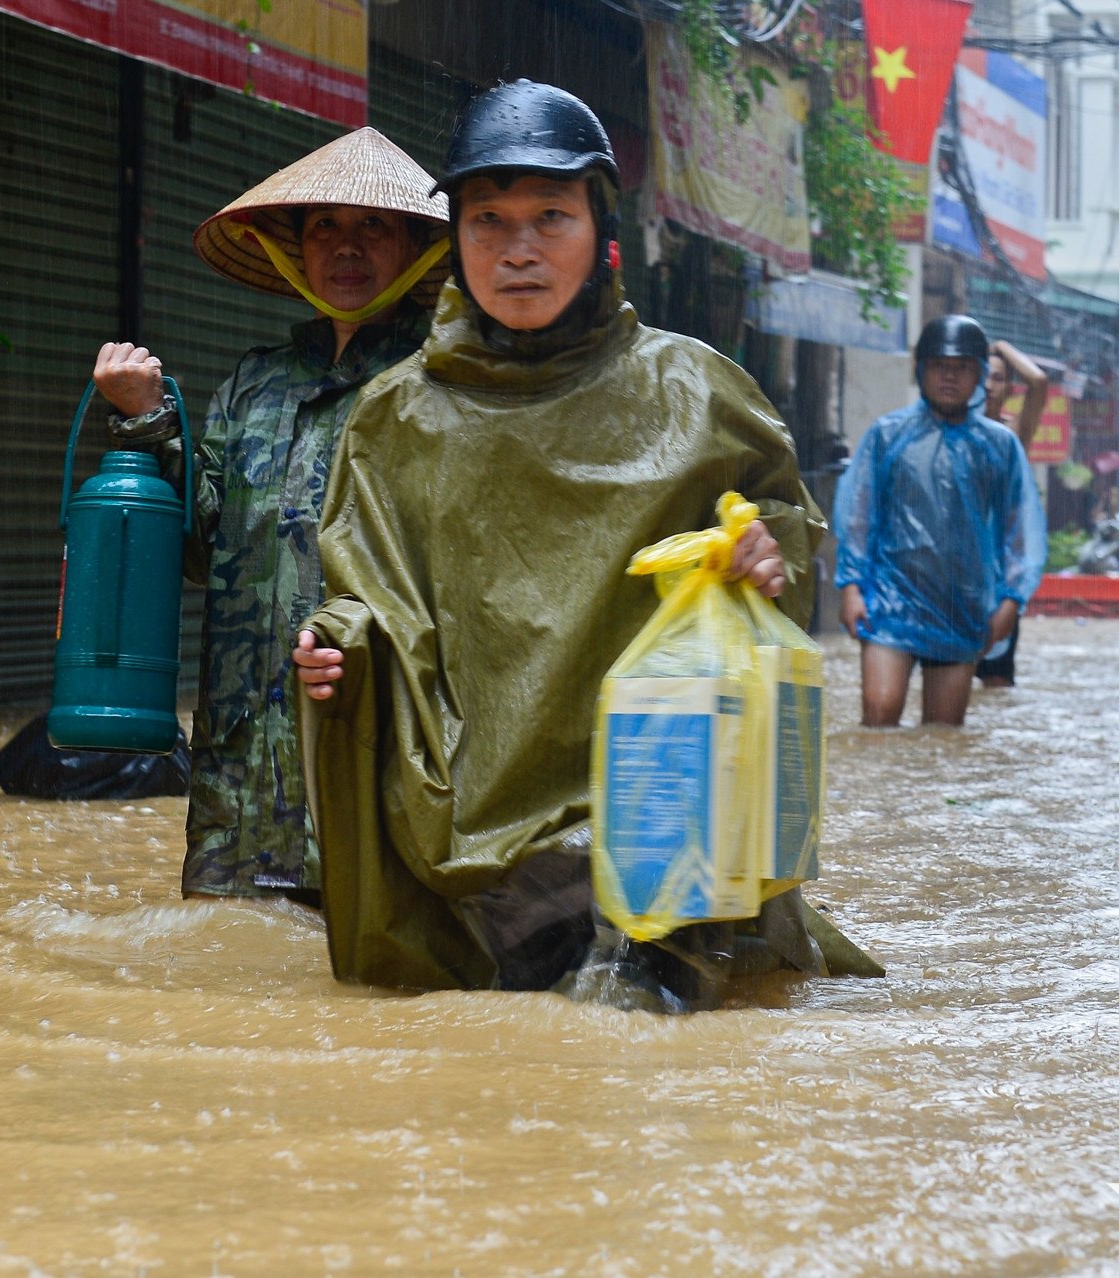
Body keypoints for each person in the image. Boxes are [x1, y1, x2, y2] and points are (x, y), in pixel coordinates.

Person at [288, 81, 879, 1007]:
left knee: (646, 1050)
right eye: (489, 221)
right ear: (455, 242)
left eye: (550, 217)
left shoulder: (702, 391)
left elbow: (786, 553)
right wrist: (336, 649)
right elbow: (369, 594)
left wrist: (771, 560)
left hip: (668, 817)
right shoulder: (393, 417)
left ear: (601, 233)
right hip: (485, 842)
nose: (518, 250)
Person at [86, 128, 450, 902]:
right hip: (237, 774)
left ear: (415, 246)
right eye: (325, 228)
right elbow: (197, 546)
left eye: (371, 227)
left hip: (364, 754)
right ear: (295, 249)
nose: (345, 249)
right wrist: (149, 419)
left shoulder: (441, 384)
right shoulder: (253, 384)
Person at [834, 316, 1046, 728]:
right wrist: (851, 587)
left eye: (962, 367)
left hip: (963, 607)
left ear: (980, 374)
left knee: (943, 737)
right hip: (889, 601)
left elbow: (1018, 529)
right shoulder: (887, 436)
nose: (950, 377)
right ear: (920, 370)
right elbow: (859, 517)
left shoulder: (999, 445)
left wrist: (1011, 601)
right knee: (878, 720)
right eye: (939, 366)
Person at [975, 339, 1050, 687]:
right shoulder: (945, 430)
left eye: (999, 378)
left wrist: (1001, 346)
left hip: (1000, 583)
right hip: (953, 579)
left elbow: (1038, 382)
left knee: (996, 687)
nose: (989, 386)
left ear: (1008, 388)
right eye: (983, 375)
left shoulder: (1011, 436)